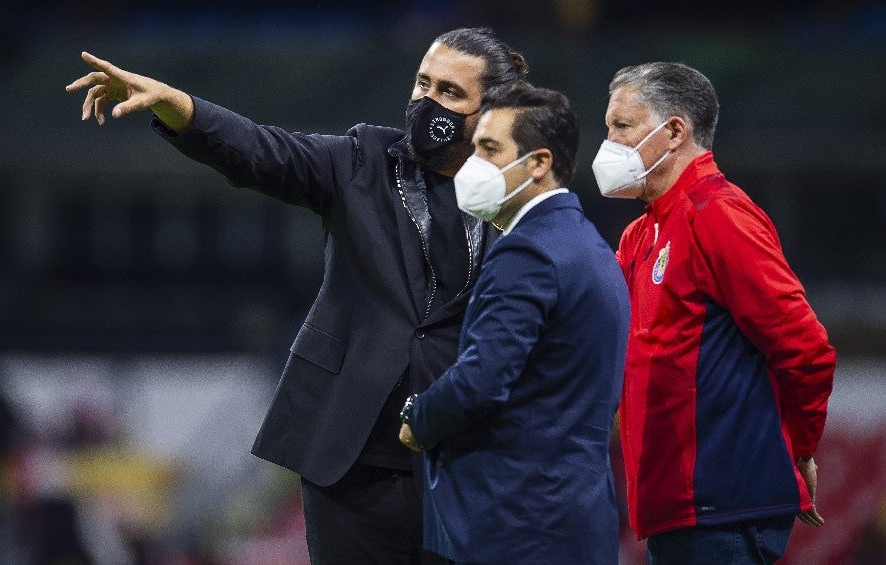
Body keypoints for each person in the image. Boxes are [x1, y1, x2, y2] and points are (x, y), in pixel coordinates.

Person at [66, 28, 528, 564]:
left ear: (491, 112)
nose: (427, 102)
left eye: (450, 93)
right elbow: (265, 152)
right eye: (422, 84)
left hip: (457, 461)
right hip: (348, 458)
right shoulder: (365, 159)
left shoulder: (517, 196)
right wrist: (181, 108)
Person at [592, 62, 836, 564]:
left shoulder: (717, 213)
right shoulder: (640, 235)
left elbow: (805, 347)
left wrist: (802, 447)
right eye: (607, 127)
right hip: (677, 509)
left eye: (621, 126)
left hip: (721, 508)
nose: (608, 142)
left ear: (675, 131)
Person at [398, 83, 630, 564]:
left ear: (539, 163)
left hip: (520, 523)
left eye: (488, 149)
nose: (470, 164)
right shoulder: (588, 246)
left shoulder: (528, 251)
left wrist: (418, 418)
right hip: (573, 517)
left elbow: (480, 381)